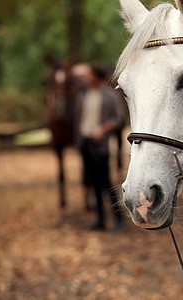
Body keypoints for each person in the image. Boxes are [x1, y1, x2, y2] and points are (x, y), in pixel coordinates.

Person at [74, 63, 126, 231]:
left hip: (100, 144)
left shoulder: (111, 96)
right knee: (93, 182)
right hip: (85, 142)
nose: (85, 79)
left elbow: (120, 118)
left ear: (96, 77)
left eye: (88, 76)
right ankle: (101, 220)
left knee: (106, 182)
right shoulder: (83, 95)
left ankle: (118, 219)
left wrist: (104, 129)